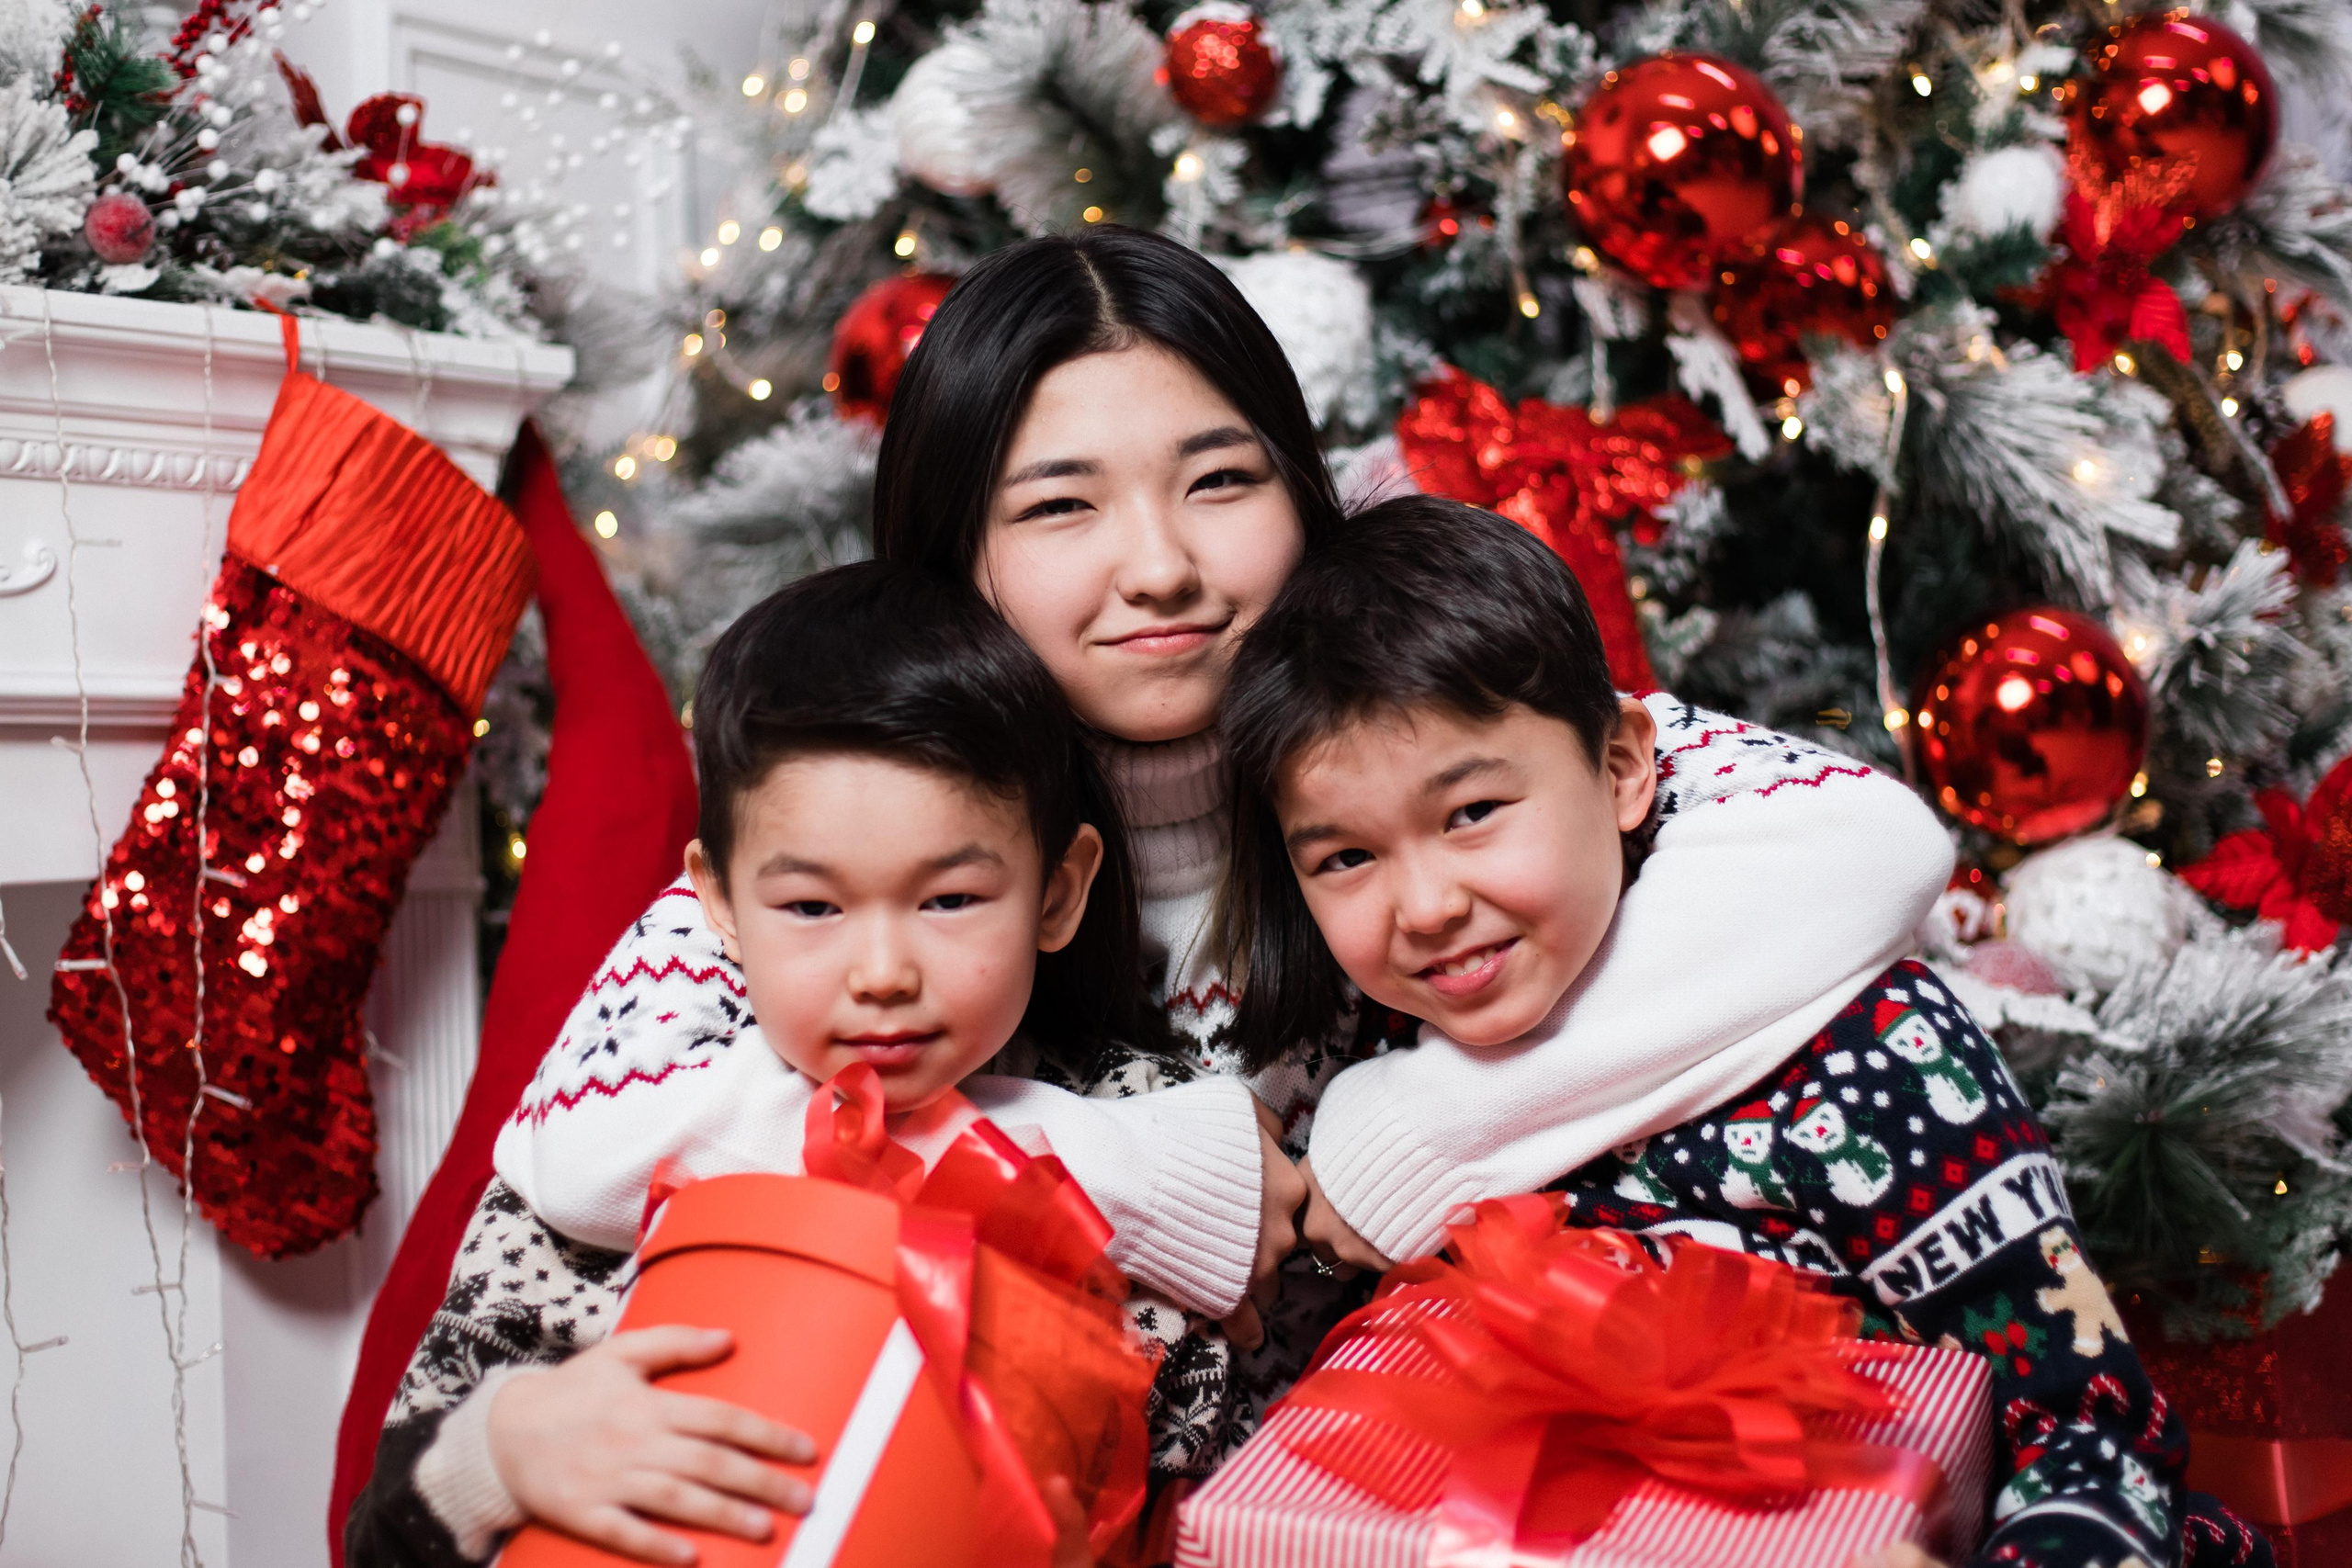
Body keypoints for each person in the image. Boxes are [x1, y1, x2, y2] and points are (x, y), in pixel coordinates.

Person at [345, 229, 1955, 1568]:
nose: (1162, 569)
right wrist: (1124, 1167)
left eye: (1219, 481)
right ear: (950, 552)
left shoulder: (1420, 776)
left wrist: (1428, 1129)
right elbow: (546, 1244)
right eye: (1060, 506)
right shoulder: (827, 886)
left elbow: (1866, 847)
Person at [1217, 494, 2204, 1568]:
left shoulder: (1866, 1059)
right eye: (1345, 859)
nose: (1424, 906)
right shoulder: (1376, 1040)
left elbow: (2090, 1430)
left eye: (1471, 815)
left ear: (1624, 769)